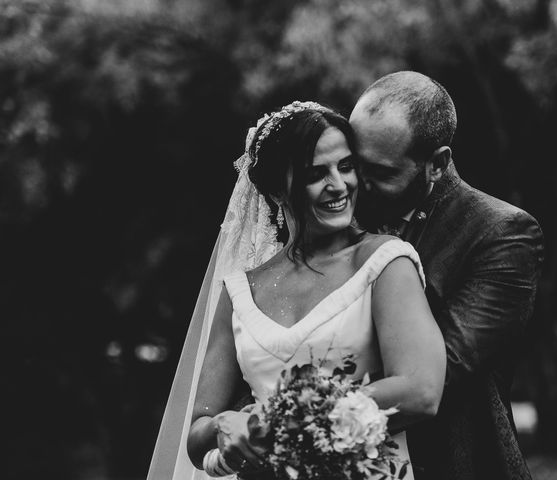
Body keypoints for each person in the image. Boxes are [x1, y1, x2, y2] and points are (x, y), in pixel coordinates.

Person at [147, 101, 446, 480]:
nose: (338, 185)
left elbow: (421, 390)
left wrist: (267, 424)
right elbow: (198, 432)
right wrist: (225, 427)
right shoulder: (240, 291)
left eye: (346, 166)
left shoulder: (384, 263)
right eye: (315, 173)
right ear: (277, 189)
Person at [349, 72, 544, 480]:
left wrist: (306, 406)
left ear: (437, 163)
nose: (358, 185)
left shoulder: (501, 233)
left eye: (381, 173)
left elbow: (443, 367)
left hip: (454, 463)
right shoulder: (340, 217)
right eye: (355, 165)